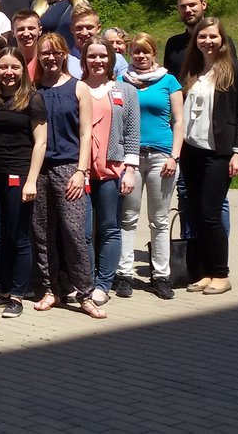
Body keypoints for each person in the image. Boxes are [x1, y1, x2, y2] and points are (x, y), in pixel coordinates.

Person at [30, 33, 105, 319]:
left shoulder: (79, 87)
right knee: (42, 232)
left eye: (55, 52)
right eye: (45, 53)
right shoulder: (35, 89)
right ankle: (51, 290)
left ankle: (85, 293)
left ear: (64, 55)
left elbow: (87, 133)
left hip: (68, 167)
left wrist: (81, 171)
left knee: (74, 232)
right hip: (40, 169)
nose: (50, 58)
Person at [178, 18, 238, 295]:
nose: (207, 41)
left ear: (222, 40)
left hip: (219, 154)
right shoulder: (192, 71)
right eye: (202, 37)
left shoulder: (236, 70)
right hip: (191, 152)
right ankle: (205, 273)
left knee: (210, 213)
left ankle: (221, 274)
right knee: (196, 213)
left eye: (213, 37)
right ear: (195, 41)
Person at [0, 48, 46, 319]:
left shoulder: (32, 98)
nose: (8, 73)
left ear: (22, 70)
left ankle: (17, 294)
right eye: (3, 67)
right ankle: (0, 290)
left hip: (19, 176)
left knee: (18, 236)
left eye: (14, 67)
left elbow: (40, 142)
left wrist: (31, 180)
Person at [117, 32, 183, 300]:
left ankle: (161, 275)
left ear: (154, 53)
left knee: (159, 220)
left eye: (146, 51)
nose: (141, 56)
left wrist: (174, 156)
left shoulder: (169, 81)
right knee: (128, 217)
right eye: (136, 51)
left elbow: (179, 121)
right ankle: (123, 274)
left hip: (161, 157)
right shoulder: (122, 81)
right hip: (130, 159)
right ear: (130, 54)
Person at [79, 36, 140, 307]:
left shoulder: (125, 91)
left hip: (111, 170)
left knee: (109, 228)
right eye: (92, 56)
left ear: (112, 59)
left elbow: (131, 132)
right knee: (83, 231)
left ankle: (103, 283)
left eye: (103, 56)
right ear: (84, 60)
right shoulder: (76, 88)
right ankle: (85, 280)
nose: (98, 61)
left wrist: (129, 170)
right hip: (80, 170)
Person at [164, 0, 236, 78]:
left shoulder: (220, 42)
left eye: (192, 5)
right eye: (183, 6)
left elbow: (233, 78)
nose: (188, 10)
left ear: (203, 5)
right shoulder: (173, 44)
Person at [67, 4, 129, 78]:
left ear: (98, 28)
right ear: (71, 29)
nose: (84, 32)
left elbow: (127, 87)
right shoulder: (64, 61)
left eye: (89, 27)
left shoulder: (117, 60)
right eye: (79, 28)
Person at [10, 11, 42, 81]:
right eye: (21, 29)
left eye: (31, 28)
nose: (26, 33)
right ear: (13, 33)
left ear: (40, 30)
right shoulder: (8, 62)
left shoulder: (47, 60)